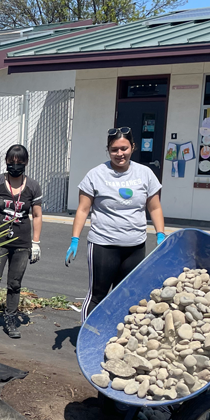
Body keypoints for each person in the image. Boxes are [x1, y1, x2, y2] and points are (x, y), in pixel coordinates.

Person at [66, 127, 166, 321]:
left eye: (124, 148)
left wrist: (160, 234)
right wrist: (75, 239)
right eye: (114, 149)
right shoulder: (96, 175)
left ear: (133, 147)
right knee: (98, 294)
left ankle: (113, 337)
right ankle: (87, 335)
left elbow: (154, 208)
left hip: (135, 245)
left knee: (125, 295)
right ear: (108, 150)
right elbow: (83, 210)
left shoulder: (145, 174)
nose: (120, 154)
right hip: (104, 245)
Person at [0, 144, 43, 339]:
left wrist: (36, 242)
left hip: (21, 244)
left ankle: (10, 319)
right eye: (11, 162)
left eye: (19, 162)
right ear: (6, 162)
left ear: (26, 163)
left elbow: (37, 215)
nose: (15, 166)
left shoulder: (33, 186)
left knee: (14, 284)